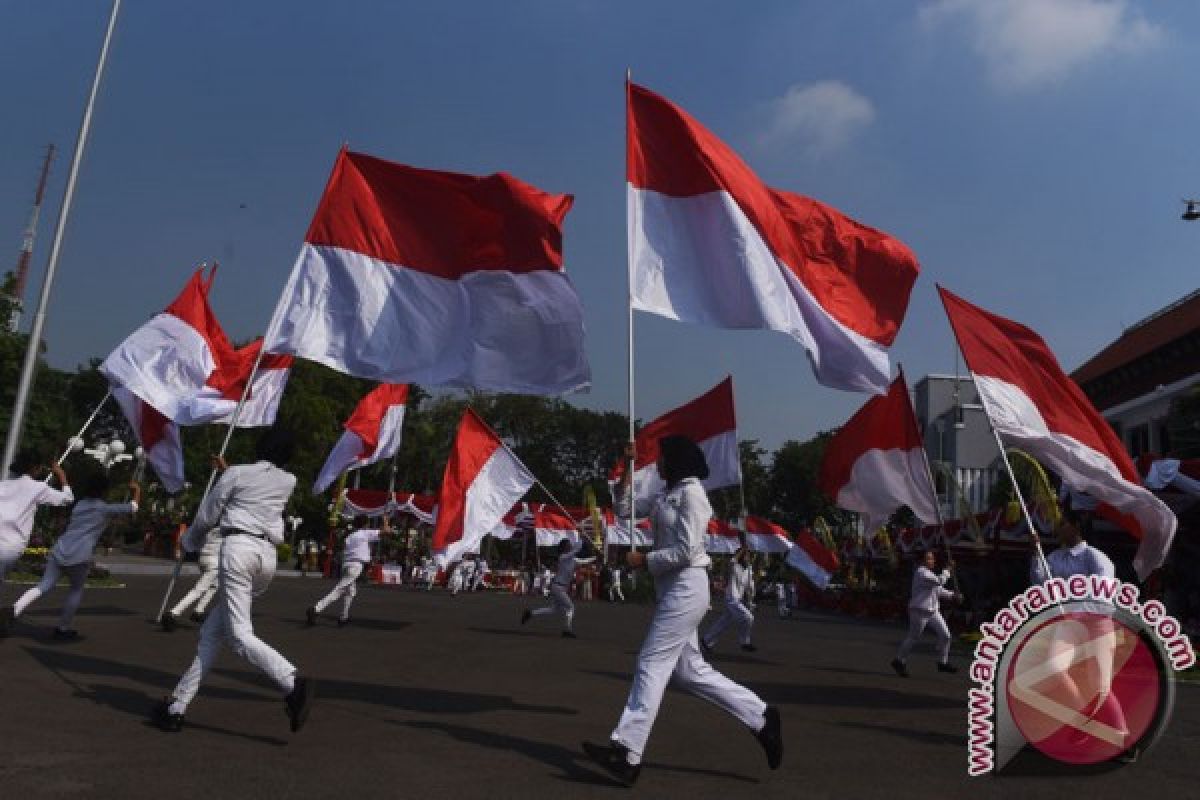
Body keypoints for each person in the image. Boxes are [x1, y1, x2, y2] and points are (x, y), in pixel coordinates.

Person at [583, 437, 782, 786]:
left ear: (677, 461)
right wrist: (627, 473)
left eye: (662, 457)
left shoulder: (693, 495)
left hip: (687, 587)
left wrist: (644, 560)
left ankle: (628, 751)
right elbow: (627, 510)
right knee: (689, 672)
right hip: (673, 590)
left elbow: (687, 551)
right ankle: (761, 716)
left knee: (650, 662)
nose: (657, 462)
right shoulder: (666, 494)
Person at [151, 430, 314, 734]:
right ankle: (176, 706)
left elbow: (207, 515)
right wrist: (229, 473)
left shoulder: (238, 473)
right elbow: (252, 489)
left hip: (238, 550)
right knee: (212, 634)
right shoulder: (287, 481)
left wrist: (190, 542)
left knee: (239, 635)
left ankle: (292, 684)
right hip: (266, 558)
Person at [2, 468, 137, 639]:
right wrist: (136, 490)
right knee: (75, 590)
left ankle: (14, 609)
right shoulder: (105, 509)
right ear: (104, 490)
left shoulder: (80, 505)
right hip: (79, 555)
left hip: (60, 549)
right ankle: (63, 628)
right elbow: (133, 507)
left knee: (43, 586)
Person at [0, 448, 73, 594]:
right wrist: (62, 476)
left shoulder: (2, 485)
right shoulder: (39, 488)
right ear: (35, 468)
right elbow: (67, 499)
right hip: (10, 547)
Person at [307, 516, 390, 627]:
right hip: (355, 565)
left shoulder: (350, 536)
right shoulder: (364, 533)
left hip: (346, 564)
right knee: (339, 589)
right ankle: (316, 609)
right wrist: (385, 520)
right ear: (365, 524)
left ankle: (343, 617)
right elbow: (386, 531)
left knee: (350, 592)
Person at [891, 549, 961, 677]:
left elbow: (938, 590)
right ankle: (899, 660)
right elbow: (940, 581)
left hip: (932, 610)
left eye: (932, 558)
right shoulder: (921, 573)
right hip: (919, 611)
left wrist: (953, 595)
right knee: (913, 637)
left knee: (946, 636)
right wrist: (948, 569)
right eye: (929, 558)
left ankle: (942, 663)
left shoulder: (929, 574)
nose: (932, 560)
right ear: (922, 561)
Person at [521, 537, 594, 638]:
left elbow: (584, 561)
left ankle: (530, 613)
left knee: (554, 609)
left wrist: (594, 558)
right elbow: (576, 550)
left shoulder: (572, 559)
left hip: (560, 587)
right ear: (564, 547)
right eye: (568, 544)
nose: (570, 545)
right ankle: (567, 629)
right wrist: (582, 539)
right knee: (570, 607)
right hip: (558, 587)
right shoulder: (563, 557)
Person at [701, 539, 757, 652]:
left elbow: (750, 588)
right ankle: (745, 642)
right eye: (746, 556)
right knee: (748, 617)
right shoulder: (735, 566)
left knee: (723, 622)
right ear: (741, 557)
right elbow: (732, 561)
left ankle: (706, 640)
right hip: (731, 598)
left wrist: (751, 601)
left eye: (749, 556)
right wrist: (743, 550)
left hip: (738, 599)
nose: (748, 558)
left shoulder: (749, 571)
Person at [161, 527, 221, 631]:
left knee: (215, 585)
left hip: (203, 558)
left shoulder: (206, 525)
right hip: (214, 562)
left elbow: (189, 537)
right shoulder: (227, 526)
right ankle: (173, 613)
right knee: (198, 590)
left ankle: (198, 611)